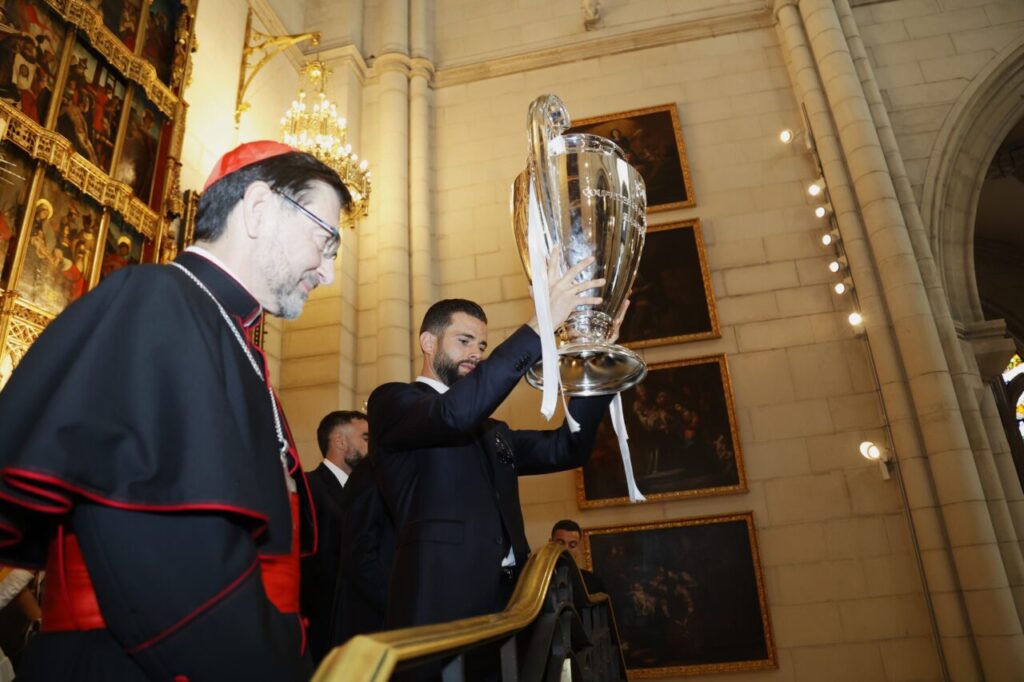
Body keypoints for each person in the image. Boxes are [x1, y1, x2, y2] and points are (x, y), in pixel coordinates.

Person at [0, 140, 350, 680]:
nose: (327, 272)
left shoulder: (228, 333)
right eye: (325, 240)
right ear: (258, 209)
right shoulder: (156, 301)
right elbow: (169, 575)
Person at [369, 254, 618, 632]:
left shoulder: (493, 430)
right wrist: (539, 327)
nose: (476, 354)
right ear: (428, 342)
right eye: (464, 340)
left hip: (510, 603)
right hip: (440, 598)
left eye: (483, 346)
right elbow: (453, 415)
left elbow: (568, 448)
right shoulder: (393, 402)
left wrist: (596, 367)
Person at [301, 410, 369, 663]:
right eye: (365, 438)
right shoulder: (309, 487)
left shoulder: (367, 492)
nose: (371, 445)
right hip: (323, 632)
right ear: (340, 442)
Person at [550, 519, 607, 595]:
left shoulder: (594, 582)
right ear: (551, 544)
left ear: (578, 548)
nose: (566, 549)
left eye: (572, 545)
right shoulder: (538, 581)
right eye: (561, 543)